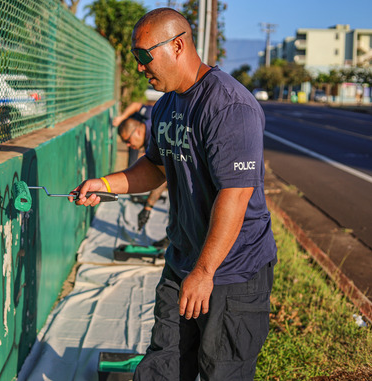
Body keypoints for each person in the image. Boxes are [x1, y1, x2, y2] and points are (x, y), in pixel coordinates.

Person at [70, 8, 277, 381]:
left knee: (223, 370)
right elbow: (154, 168)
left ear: (177, 45)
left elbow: (236, 195)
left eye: (143, 56)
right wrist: (104, 184)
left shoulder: (229, 107)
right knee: (163, 363)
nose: (138, 67)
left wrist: (205, 271)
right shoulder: (166, 105)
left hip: (232, 271)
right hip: (184, 261)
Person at [115, 103, 169, 231]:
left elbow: (164, 175)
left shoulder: (155, 136)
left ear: (137, 131)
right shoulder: (150, 130)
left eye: (127, 140)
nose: (128, 145)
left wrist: (148, 207)